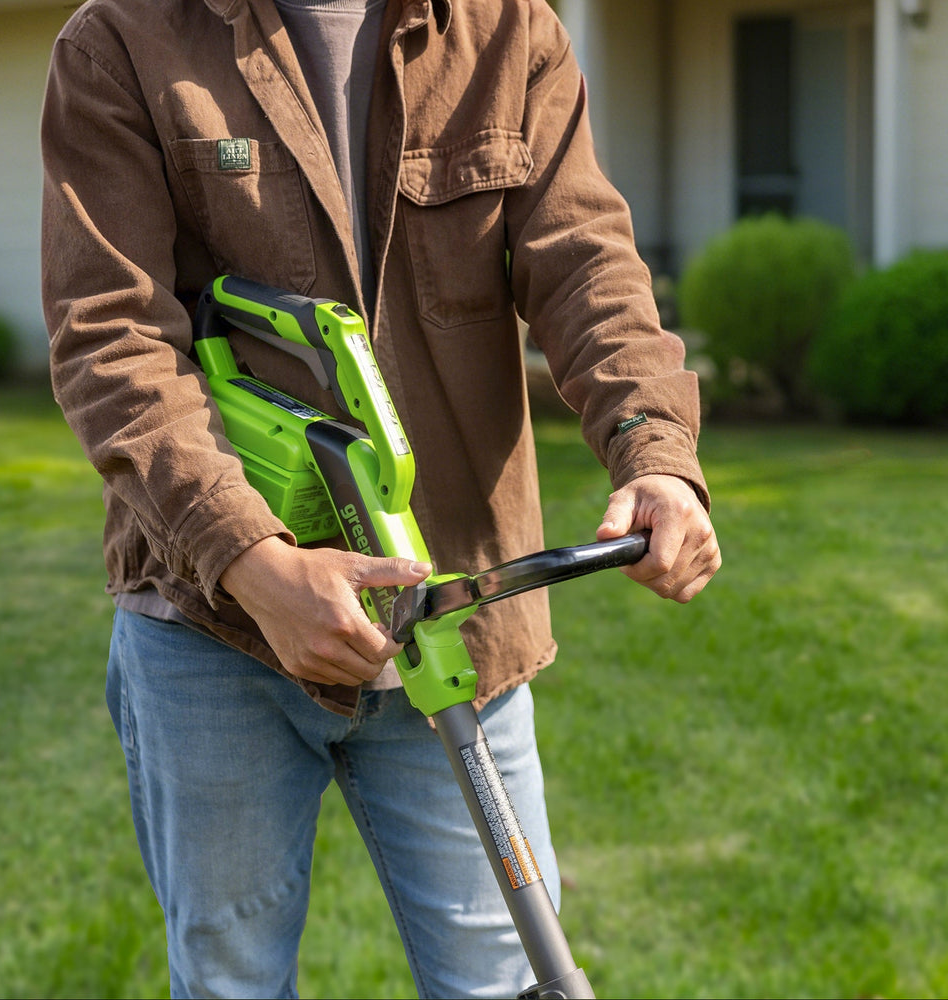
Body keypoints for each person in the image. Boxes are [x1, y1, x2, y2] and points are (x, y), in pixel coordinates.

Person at [40, 0, 721, 997]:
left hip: (453, 623)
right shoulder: (120, 39)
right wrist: (252, 562)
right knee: (229, 981)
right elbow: (111, 340)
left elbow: (587, 265)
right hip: (212, 632)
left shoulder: (503, 29)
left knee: (509, 978)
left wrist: (654, 452)